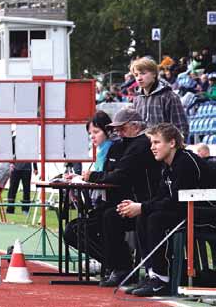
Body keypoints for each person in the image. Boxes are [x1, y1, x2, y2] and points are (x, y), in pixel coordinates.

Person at [117, 123, 215, 296]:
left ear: (172, 143)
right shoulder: (167, 166)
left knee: (157, 218)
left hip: (206, 212)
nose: (152, 148)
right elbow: (161, 198)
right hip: (186, 209)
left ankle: (163, 279)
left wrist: (142, 207)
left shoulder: (186, 162)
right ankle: (152, 274)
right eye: (152, 143)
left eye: (157, 142)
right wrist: (137, 206)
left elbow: (176, 201)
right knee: (144, 216)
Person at [81, 109, 161, 287]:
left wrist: (93, 176)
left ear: (134, 126)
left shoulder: (138, 145)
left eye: (122, 128)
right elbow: (118, 173)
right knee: (100, 217)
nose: (118, 132)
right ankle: (120, 265)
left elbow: (120, 174)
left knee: (110, 216)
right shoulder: (129, 144)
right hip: (134, 199)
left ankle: (122, 267)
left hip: (143, 202)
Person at [131, 57, 189, 139]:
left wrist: (174, 147)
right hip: (143, 147)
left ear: (154, 74)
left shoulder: (169, 96)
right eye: (136, 75)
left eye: (143, 73)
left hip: (164, 147)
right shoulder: (137, 99)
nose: (139, 78)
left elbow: (181, 128)